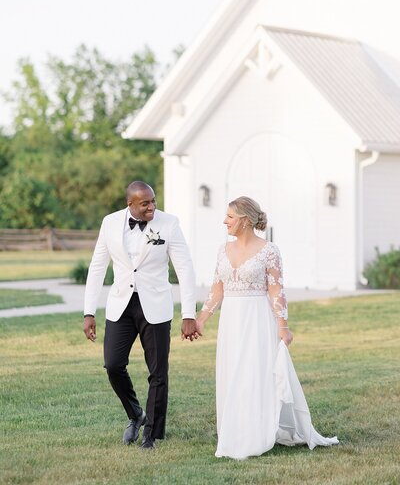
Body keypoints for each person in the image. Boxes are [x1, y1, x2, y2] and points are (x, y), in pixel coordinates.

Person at [196, 196, 338, 460]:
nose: (224, 221)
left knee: (253, 373)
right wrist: (201, 319)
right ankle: (235, 429)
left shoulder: (269, 250)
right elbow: (217, 290)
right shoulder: (221, 250)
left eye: (229, 216)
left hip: (257, 318)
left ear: (245, 221)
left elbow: (276, 290)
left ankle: (256, 432)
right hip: (231, 321)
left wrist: (283, 326)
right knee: (232, 372)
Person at [83, 181, 198, 450]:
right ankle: (136, 414)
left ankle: (151, 434)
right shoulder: (109, 223)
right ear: (130, 204)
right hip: (121, 304)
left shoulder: (169, 224)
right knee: (113, 365)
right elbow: (97, 267)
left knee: (158, 372)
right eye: (145, 203)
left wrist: (188, 314)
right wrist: (89, 312)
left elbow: (185, 268)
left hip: (156, 306)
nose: (152, 206)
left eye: (153, 201)